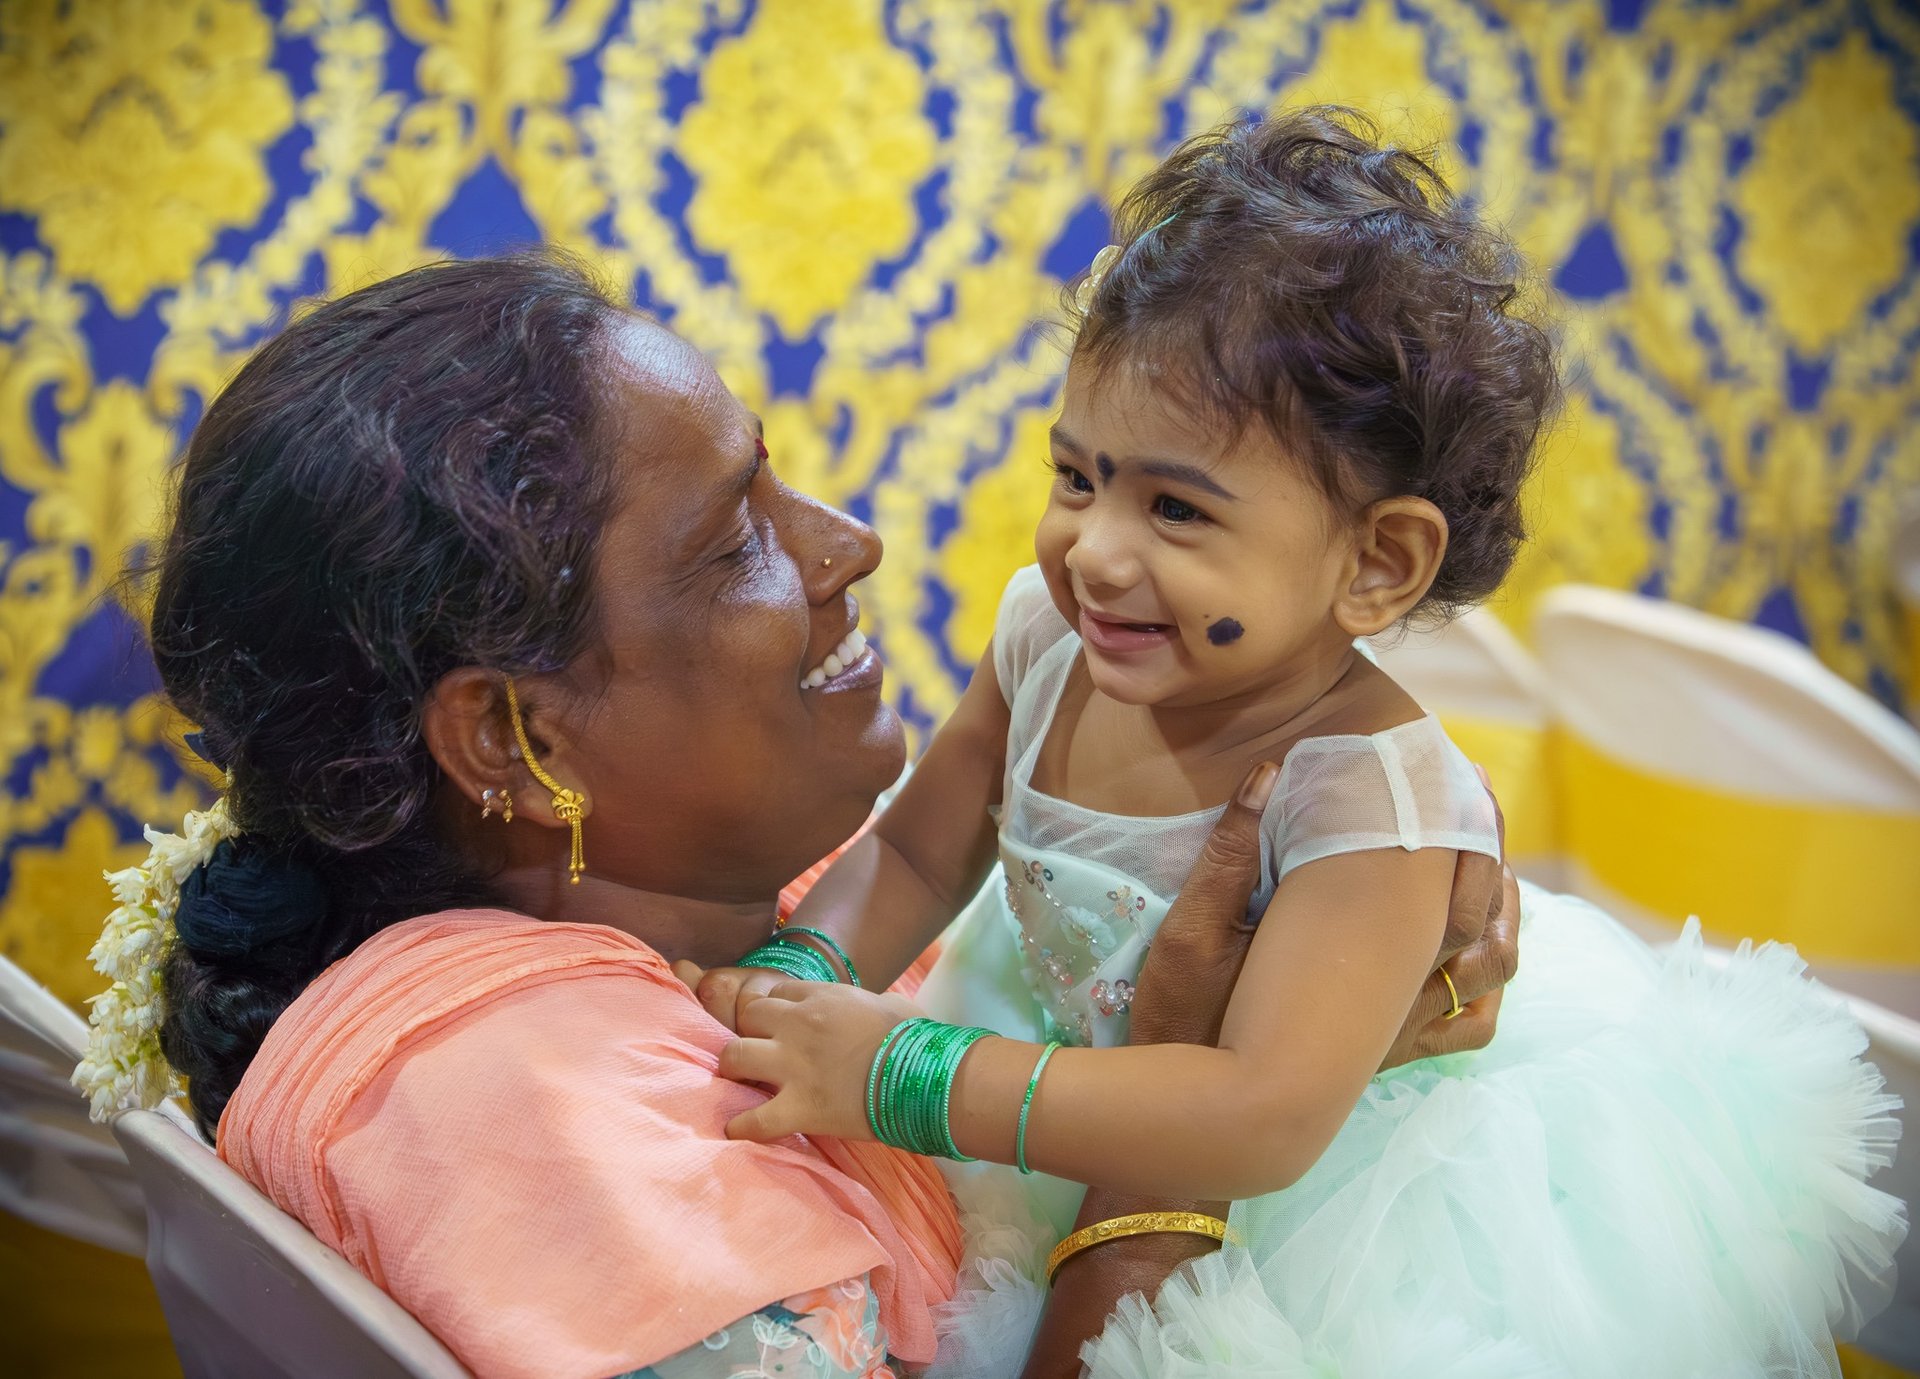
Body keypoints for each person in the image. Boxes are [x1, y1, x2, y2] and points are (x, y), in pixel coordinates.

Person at [72, 251, 1519, 1379]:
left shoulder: (695, 891)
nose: (851, 541)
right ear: (517, 735)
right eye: (735, 540)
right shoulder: (546, 1134)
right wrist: (1162, 1143)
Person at [690, 110, 1906, 1376]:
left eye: (1173, 505)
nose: (1095, 550)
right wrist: (795, 965)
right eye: (1075, 476)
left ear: (1379, 563)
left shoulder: (1366, 795)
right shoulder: (1045, 640)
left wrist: (905, 1071)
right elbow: (922, 853)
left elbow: (1261, 1113)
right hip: (1049, 1090)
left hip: (1316, 1212)